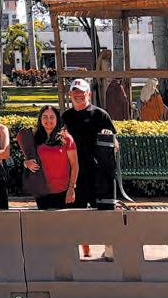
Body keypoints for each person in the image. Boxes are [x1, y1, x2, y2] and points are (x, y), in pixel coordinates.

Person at [62, 78, 117, 211]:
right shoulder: (65, 117)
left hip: (97, 173)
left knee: (102, 213)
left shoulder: (101, 115)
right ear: (70, 94)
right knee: (74, 212)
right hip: (74, 173)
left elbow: (115, 144)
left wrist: (109, 136)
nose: (78, 95)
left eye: (82, 92)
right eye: (75, 92)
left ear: (89, 94)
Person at [23, 105, 79, 210]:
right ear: (40, 119)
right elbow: (27, 160)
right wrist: (27, 163)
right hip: (41, 191)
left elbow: (75, 165)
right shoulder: (34, 138)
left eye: (51, 117)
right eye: (45, 117)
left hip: (63, 191)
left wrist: (71, 188)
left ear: (57, 119)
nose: (48, 120)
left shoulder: (66, 138)